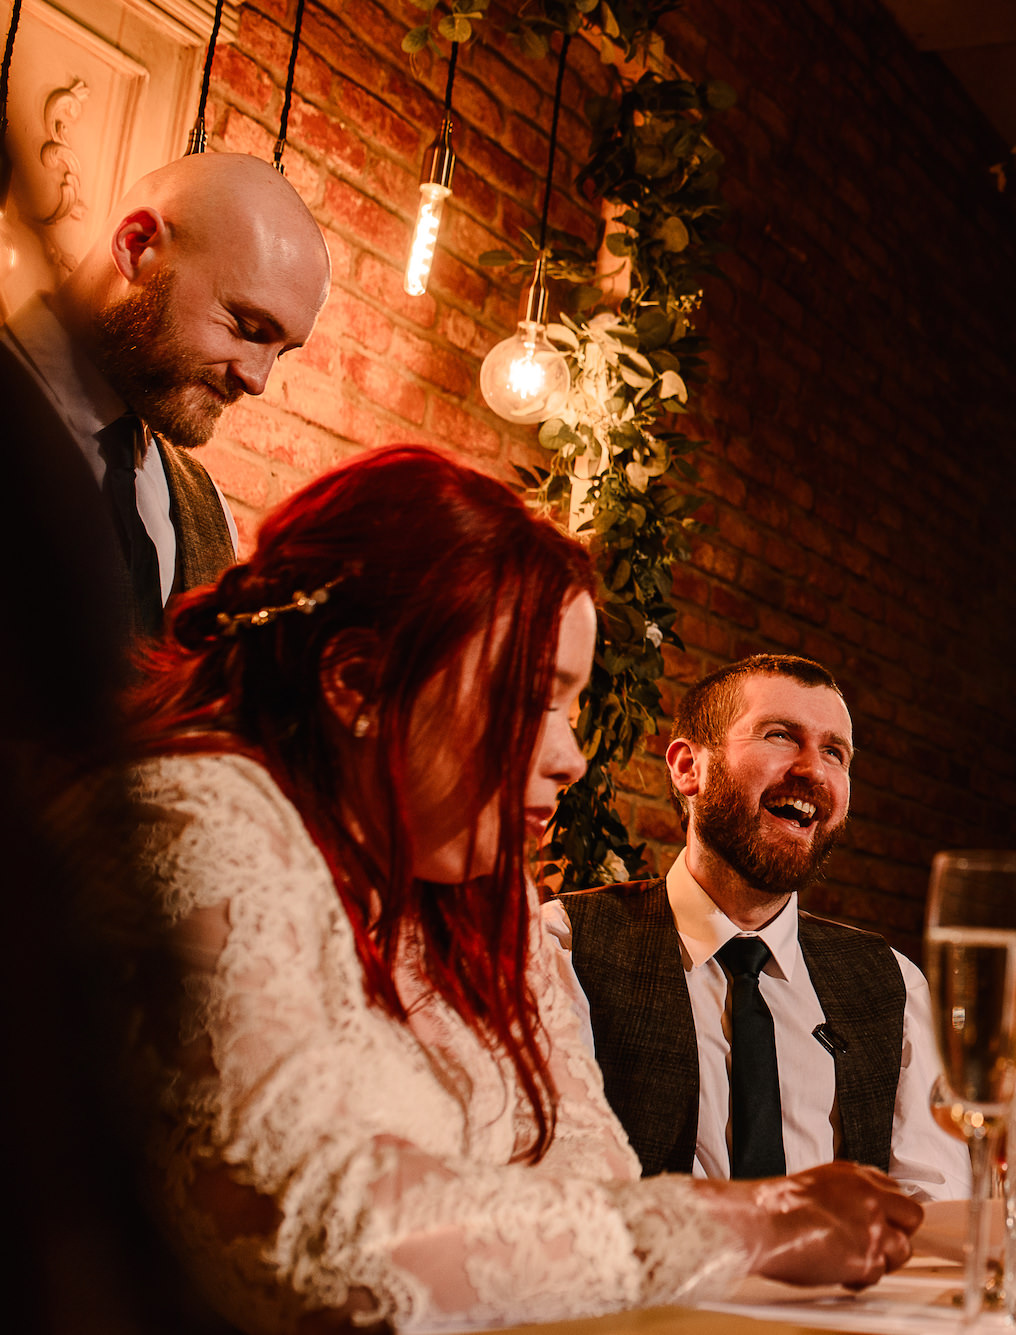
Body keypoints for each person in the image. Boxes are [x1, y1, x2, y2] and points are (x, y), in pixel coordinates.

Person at [121, 448, 920, 1333]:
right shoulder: (194, 826)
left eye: (573, 710)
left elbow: (590, 1168)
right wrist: (752, 1221)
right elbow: (327, 1240)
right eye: (538, 698)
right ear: (356, 680)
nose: (568, 756)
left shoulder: (473, 894)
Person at [548, 656, 970, 1200]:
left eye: (835, 753)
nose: (813, 771)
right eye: (779, 736)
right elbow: (559, 1197)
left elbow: (934, 1207)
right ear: (687, 768)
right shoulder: (565, 945)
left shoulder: (893, 982)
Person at [0, 152, 330, 635]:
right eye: (247, 326)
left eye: (282, 352)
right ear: (136, 247)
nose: (257, 381)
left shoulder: (208, 509)